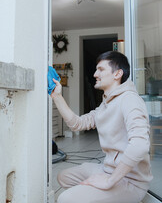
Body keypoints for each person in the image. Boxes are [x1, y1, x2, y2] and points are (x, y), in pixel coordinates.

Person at [51, 51, 153, 203]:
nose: (94, 74)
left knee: (65, 199)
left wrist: (109, 181)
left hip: (130, 181)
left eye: (101, 69)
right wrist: (57, 96)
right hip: (108, 169)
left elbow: (140, 145)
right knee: (63, 177)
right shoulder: (106, 103)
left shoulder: (130, 100)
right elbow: (77, 124)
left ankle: (117, 194)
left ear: (117, 74)